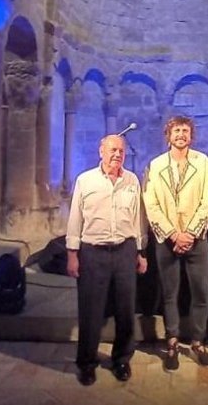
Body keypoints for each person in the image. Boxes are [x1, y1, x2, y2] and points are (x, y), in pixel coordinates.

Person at [66, 134, 148, 386]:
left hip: (124, 251)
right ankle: (87, 363)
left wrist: (140, 252)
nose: (117, 155)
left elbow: (138, 219)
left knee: (125, 310)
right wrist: (72, 255)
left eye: (121, 151)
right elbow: (75, 218)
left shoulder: (132, 180)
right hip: (93, 253)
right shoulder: (85, 180)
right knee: (91, 311)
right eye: (112, 149)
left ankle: (121, 359)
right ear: (101, 151)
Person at [143, 115, 208, 371]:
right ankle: (172, 341)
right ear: (168, 135)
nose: (181, 135)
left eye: (185, 131)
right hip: (167, 240)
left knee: (201, 293)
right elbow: (150, 204)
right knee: (170, 294)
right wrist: (174, 234)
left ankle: (198, 342)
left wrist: (190, 234)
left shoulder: (204, 163)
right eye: (176, 131)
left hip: (196, 239)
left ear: (191, 135)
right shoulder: (155, 166)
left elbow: (207, 200)